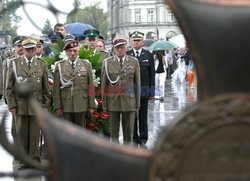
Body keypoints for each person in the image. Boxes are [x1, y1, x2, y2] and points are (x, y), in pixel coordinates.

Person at [6, 39, 50, 169]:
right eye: (28, 49)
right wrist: (12, 105)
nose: (31, 52)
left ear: (36, 50)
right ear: (23, 50)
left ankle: (34, 161)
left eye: (33, 49)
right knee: (22, 134)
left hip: (36, 105)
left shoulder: (41, 64)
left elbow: (45, 88)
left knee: (35, 134)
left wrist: (45, 106)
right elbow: (9, 88)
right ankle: (23, 161)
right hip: (21, 105)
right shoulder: (14, 64)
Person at [101, 37, 140, 144]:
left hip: (129, 101)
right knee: (114, 133)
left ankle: (128, 153)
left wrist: (137, 104)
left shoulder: (134, 62)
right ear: (113, 49)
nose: (120, 50)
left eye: (122, 47)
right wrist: (104, 105)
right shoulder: (107, 63)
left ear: (126, 48)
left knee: (128, 132)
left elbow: (137, 84)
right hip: (113, 101)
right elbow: (104, 85)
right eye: (117, 48)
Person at [53, 40, 95, 127]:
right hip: (66, 105)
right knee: (68, 133)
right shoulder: (60, 66)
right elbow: (56, 89)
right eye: (70, 51)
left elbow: (90, 86)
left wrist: (91, 106)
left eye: (75, 51)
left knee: (81, 132)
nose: (72, 53)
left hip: (81, 104)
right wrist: (58, 107)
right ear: (66, 52)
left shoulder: (86, 65)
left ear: (78, 51)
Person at [126, 31, 155, 147]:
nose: (136, 43)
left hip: (144, 89)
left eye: (138, 40)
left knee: (143, 115)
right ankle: (134, 137)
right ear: (131, 42)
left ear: (142, 42)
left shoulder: (148, 55)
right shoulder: (127, 55)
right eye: (134, 40)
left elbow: (152, 74)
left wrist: (152, 91)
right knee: (132, 115)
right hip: (130, 90)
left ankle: (143, 138)